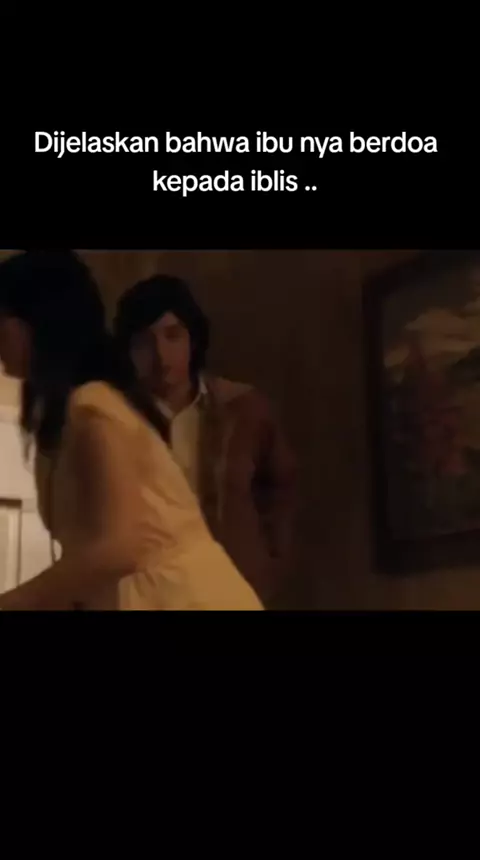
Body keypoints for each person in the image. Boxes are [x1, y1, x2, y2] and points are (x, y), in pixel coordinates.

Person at [0, 251, 263, 611]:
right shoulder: (66, 416)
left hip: (182, 598)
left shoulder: (93, 406)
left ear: (35, 322)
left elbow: (117, 548)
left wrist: (15, 601)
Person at [114, 275, 296, 606]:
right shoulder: (115, 420)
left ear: (193, 339)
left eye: (173, 335)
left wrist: (269, 564)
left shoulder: (243, 408)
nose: (160, 354)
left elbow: (281, 488)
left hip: (232, 592)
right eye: (144, 342)